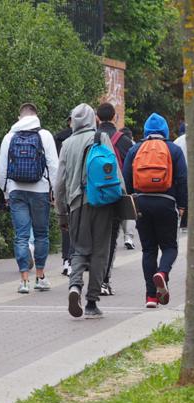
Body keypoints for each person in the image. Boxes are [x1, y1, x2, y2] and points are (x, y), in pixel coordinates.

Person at [55, 103, 125, 319]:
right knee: (100, 252)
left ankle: (75, 286)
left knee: (79, 249)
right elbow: (114, 171)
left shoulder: (66, 144)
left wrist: (61, 213)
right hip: (102, 203)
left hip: (76, 205)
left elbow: (60, 183)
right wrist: (122, 197)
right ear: (92, 119)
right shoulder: (101, 138)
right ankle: (92, 303)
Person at [122, 113, 188, 308]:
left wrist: (133, 203)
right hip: (167, 202)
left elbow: (126, 180)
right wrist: (183, 205)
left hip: (142, 204)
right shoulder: (174, 150)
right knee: (170, 247)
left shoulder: (135, 150)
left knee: (148, 249)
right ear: (165, 131)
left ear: (146, 131)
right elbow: (183, 180)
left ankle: (151, 297)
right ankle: (163, 272)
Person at [0, 103, 59, 293]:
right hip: (40, 190)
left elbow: (2, 168)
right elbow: (54, 166)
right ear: (36, 116)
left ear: (19, 117)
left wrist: (6, 191)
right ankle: (40, 276)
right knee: (41, 234)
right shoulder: (45, 135)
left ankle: (24, 280)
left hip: (16, 190)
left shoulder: (9, 137)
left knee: (21, 236)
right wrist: (53, 191)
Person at [95, 102, 135, 296]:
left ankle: (88, 279)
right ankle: (104, 281)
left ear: (97, 118)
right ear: (114, 117)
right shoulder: (124, 141)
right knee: (111, 238)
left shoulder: (91, 138)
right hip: (116, 196)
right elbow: (130, 171)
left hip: (92, 195)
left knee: (94, 238)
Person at [54, 115, 74, 276]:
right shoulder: (90, 138)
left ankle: (67, 259)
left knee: (66, 225)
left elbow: (56, 166)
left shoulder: (59, 138)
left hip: (65, 187)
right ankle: (77, 259)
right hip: (82, 190)